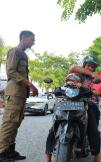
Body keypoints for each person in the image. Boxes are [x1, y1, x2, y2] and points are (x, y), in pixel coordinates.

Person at [43, 54, 101, 162]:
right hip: (67, 101)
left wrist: (92, 91)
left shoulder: (93, 79)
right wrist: (72, 82)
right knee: (55, 124)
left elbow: (97, 91)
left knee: (93, 124)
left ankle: (97, 154)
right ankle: (48, 154)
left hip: (83, 102)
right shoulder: (76, 72)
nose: (90, 68)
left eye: (92, 67)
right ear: (84, 64)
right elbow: (73, 68)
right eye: (88, 65)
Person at [0, 30, 38, 162]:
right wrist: (31, 85)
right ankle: (2, 152)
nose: (34, 42)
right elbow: (11, 71)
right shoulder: (14, 51)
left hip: (21, 95)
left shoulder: (24, 55)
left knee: (16, 122)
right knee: (9, 122)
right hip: (14, 94)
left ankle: (10, 150)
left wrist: (28, 87)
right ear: (24, 38)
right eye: (32, 39)